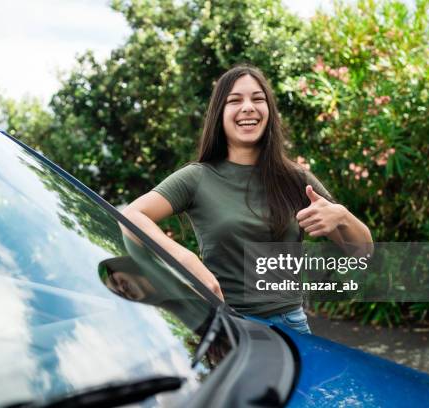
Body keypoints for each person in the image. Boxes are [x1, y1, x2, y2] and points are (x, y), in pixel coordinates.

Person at [121, 64, 373, 334]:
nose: (248, 107)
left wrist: (342, 216)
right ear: (220, 114)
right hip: (228, 326)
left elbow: (363, 252)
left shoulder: (296, 178)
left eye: (258, 99)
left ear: (269, 112)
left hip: (291, 326)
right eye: (235, 100)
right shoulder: (196, 178)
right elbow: (131, 216)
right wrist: (184, 260)